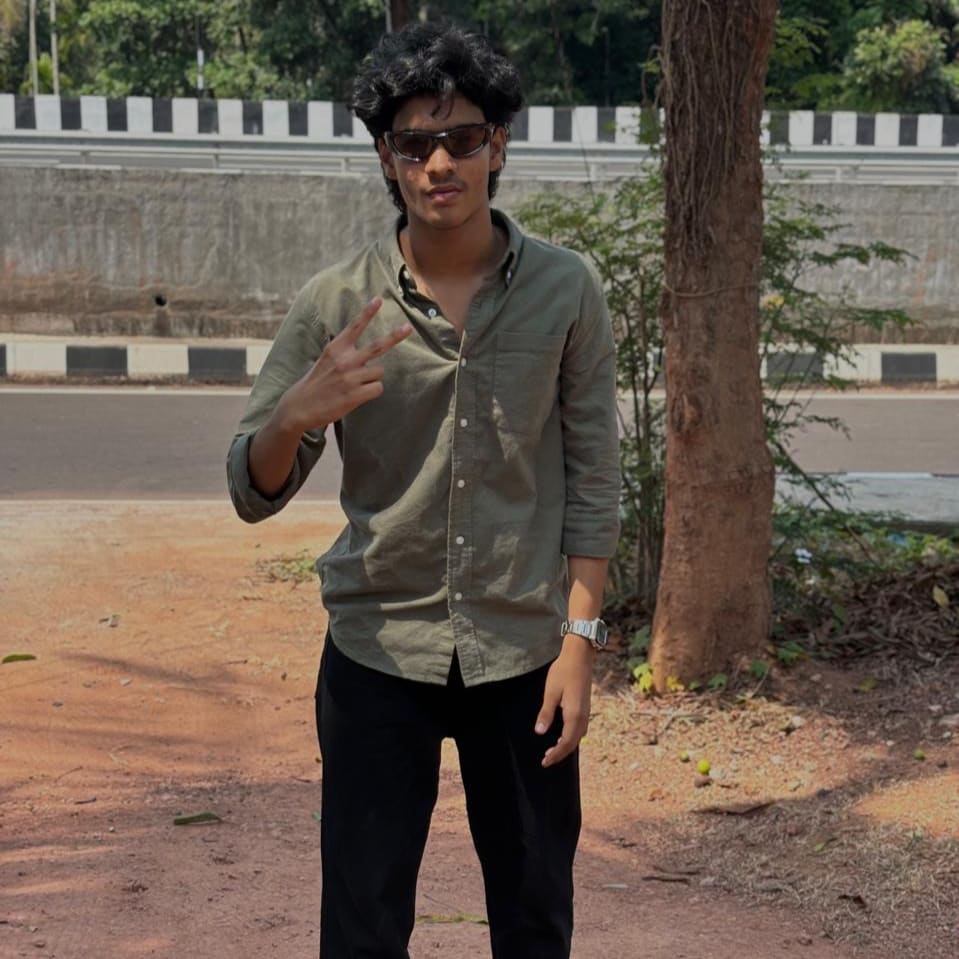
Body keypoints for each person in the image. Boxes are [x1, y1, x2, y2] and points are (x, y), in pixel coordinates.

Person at [227, 20, 620, 959]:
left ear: (497, 147)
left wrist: (580, 643)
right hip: (377, 650)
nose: (439, 162)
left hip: (523, 651)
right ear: (386, 158)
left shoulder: (565, 290)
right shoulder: (340, 302)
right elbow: (252, 484)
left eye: (461, 138)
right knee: (361, 930)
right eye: (414, 144)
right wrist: (295, 415)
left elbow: (594, 476)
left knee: (534, 920)